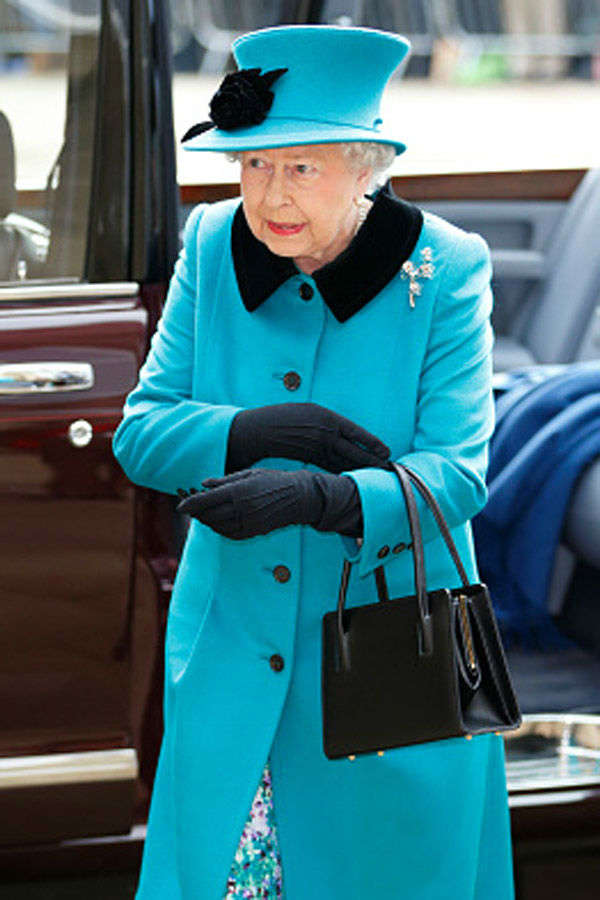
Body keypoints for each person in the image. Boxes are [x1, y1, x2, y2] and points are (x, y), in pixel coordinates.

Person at [112, 24, 515, 900]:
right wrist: (254, 430)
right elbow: (141, 434)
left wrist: (326, 497)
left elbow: (459, 472)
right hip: (233, 653)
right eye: (253, 165)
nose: (270, 195)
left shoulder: (445, 268)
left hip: (385, 657)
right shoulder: (213, 245)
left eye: (301, 167)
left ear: (367, 167)